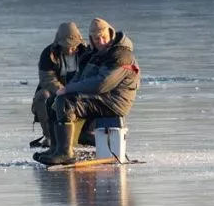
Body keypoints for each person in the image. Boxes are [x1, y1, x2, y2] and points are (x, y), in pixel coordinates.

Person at [34, 18, 140, 166]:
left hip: (114, 101)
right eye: (96, 38)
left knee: (66, 103)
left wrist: (68, 89)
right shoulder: (92, 54)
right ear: (91, 38)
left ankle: (66, 153)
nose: (101, 41)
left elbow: (101, 84)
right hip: (100, 98)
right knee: (54, 101)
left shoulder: (121, 55)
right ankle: (55, 148)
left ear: (110, 34)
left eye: (104, 37)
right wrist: (64, 90)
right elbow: (80, 78)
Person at [30, 22, 89, 149]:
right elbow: (47, 79)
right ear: (58, 43)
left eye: (73, 46)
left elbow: (90, 76)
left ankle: (84, 134)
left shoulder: (87, 52)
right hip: (55, 91)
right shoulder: (48, 54)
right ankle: (49, 136)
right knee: (42, 96)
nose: (69, 49)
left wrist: (73, 90)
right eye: (65, 46)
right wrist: (62, 90)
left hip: (79, 91)